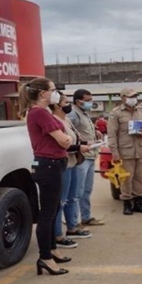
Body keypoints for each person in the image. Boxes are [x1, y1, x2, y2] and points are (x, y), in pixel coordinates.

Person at [17, 77, 82, 276]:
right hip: (49, 166)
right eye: (53, 90)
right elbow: (63, 141)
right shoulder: (39, 113)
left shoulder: (43, 112)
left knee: (53, 210)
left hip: (54, 164)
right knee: (47, 213)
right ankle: (45, 257)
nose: (56, 93)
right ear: (43, 93)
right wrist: (67, 138)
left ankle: (52, 249)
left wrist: (69, 140)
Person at [107, 88, 142, 215]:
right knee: (126, 179)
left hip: (141, 150)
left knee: (140, 178)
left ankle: (138, 203)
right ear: (123, 98)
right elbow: (112, 135)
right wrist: (114, 153)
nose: (133, 98)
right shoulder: (116, 113)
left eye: (135, 96)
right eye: (131, 96)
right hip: (125, 151)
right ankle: (127, 203)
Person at [51, 93, 92, 247]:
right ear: (57, 105)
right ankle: (57, 235)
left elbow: (75, 137)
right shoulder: (54, 121)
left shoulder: (66, 119)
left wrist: (89, 142)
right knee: (61, 201)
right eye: (66, 102)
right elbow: (64, 143)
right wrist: (80, 146)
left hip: (74, 161)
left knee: (72, 198)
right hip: (64, 164)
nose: (69, 105)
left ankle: (72, 228)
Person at [67, 89, 105, 226]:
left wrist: (96, 131)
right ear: (78, 101)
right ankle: (73, 221)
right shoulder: (72, 113)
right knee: (77, 191)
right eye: (88, 100)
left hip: (90, 155)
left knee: (86, 190)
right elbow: (68, 130)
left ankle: (86, 217)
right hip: (81, 157)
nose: (90, 103)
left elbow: (83, 129)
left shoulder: (84, 113)